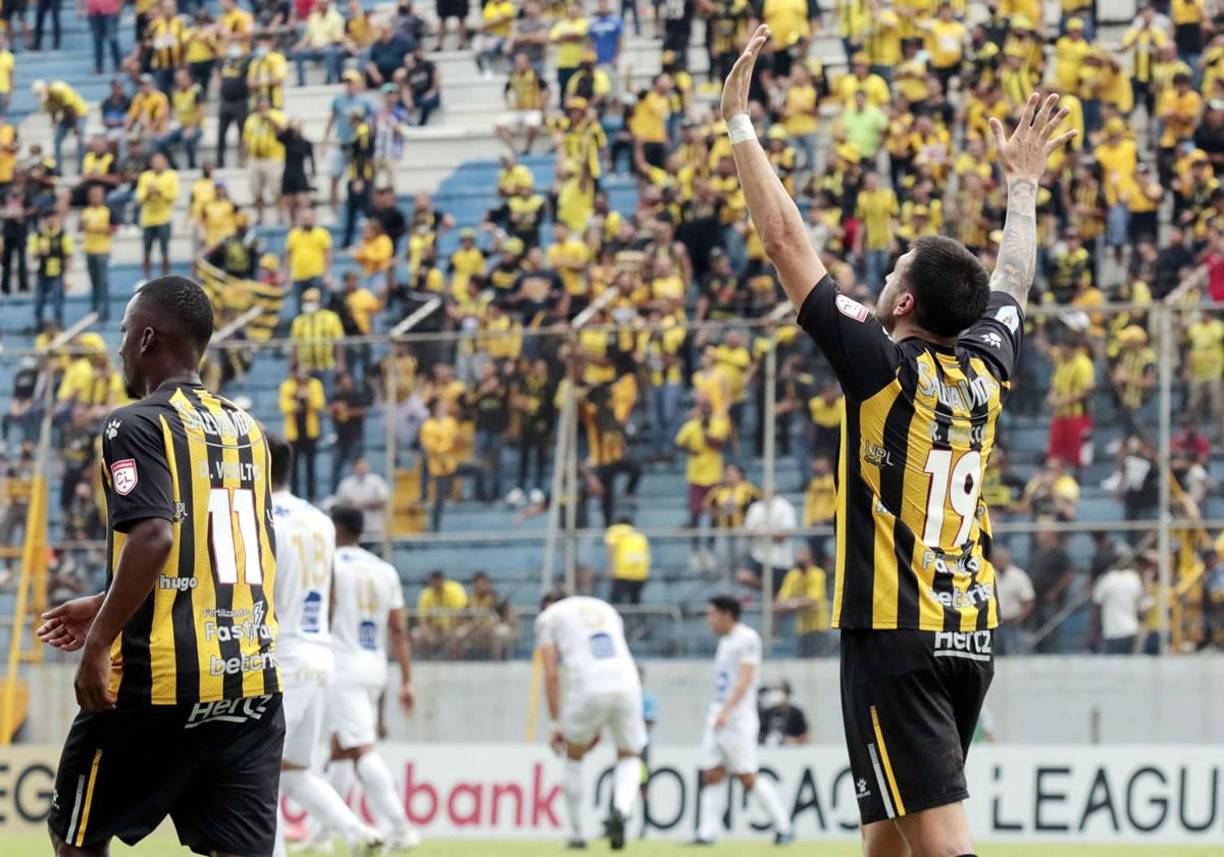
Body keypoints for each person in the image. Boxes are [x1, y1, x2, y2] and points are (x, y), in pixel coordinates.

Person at [721, 31, 1074, 856]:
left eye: (892, 269)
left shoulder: (883, 367)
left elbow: (785, 245)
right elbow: (1012, 282)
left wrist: (739, 125)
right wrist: (1022, 187)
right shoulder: (987, 365)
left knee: (943, 845)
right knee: (887, 837)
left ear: (905, 300)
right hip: (968, 633)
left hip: (897, 635)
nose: (880, 277)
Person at [37, 276, 284, 857]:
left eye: (124, 332)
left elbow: (153, 537)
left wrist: (100, 641)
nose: (119, 345)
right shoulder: (248, 430)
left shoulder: (136, 423)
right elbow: (218, 553)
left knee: (76, 833)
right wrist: (105, 602)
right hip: (249, 680)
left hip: (160, 679)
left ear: (148, 338)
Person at [267, 437, 383, 857]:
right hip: (319, 652)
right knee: (296, 770)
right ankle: (358, 832)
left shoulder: (260, 516)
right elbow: (330, 593)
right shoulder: (319, 519)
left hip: (282, 654)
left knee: (258, 771)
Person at [326, 505, 421, 851]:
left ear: (336, 529)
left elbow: (326, 610)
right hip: (375, 666)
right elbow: (399, 629)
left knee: (362, 748)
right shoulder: (385, 570)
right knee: (340, 746)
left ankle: (400, 826)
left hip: (342, 663)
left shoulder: (331, 563)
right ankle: (323, 833)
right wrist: (407, 680)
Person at [535, 590, 646, 850]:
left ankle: (577, 834)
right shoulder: (605, 608)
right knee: (630, 755)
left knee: (573, 757)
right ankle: (622, 809)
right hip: (628, 682)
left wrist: (555, 723)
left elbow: (551, 674)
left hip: (587, 685)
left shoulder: (548, 617)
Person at [694, 595, 794, 845]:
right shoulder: (726, 641)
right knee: (713, 772)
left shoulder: (746, 638)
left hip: (736, 717)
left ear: (726, 614)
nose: (709, 620)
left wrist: (727, 710)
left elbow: (746, 678)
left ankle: (784, 826)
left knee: (747, 776)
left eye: (712, 614)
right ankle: (706, 833)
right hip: (719, 714)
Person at [135, 152, 179, 280]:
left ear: (165, 162)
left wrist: (159, 191)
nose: (157, 164)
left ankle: (166, 278)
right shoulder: (145, 176)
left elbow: (173, 197)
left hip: (164, 218)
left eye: (160, 161)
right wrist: (148, 193)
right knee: (146, 251)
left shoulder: (171, 175)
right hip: (148, 219)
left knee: (164, 250)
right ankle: (145, 278)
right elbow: (139, 198)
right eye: (155, 161)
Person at [1093, 560, 1148, 655]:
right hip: (1130, 629)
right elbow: (1140, 605)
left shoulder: (1106, 579)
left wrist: (1095, 629)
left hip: (1112, 631)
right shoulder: (1133, 578)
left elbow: (1097, 604)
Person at [334, 456, 389, 548]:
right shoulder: (346, 484)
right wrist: (352, 506)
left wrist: (362, 504)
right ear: (354, 468)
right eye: (359, 467)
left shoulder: (376, 482)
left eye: (364, 466)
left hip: (373, 530)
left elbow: (384, 501)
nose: (362, 469)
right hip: (352, 533)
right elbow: (339, 506)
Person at [993, 546, 1034, 656]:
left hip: (1012, 623)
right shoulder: (988, 575)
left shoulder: (1019, 576)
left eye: (1002, 559)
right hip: (993, 623)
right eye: (997, 559)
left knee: (1013, 654)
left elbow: (1028, 600)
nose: (1000, 562)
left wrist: (1020, 618)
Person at [605, 516, 650, 605]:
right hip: (640, 573)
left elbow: (611, 547)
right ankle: (637, 618)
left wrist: (610, 566)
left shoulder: (615, 531)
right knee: (635, 601)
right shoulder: (639, 535)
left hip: (623, 572)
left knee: (616, 601)